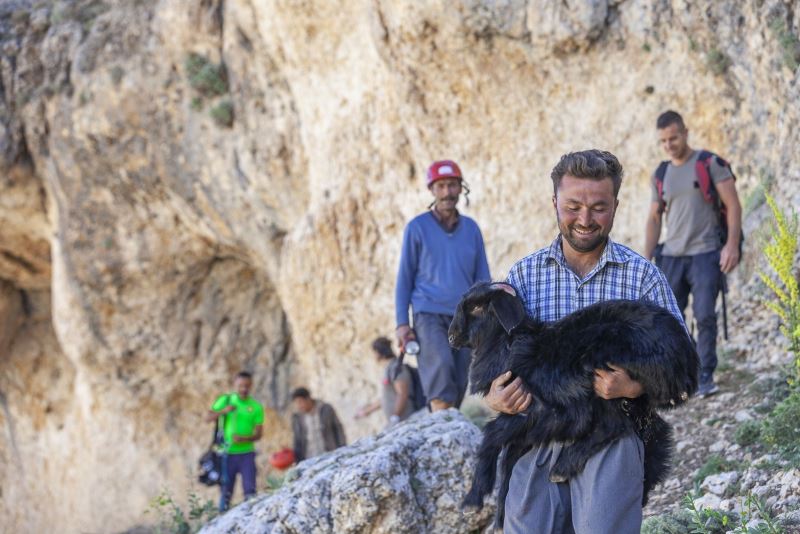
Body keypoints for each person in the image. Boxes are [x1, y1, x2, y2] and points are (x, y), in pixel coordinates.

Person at [486, 150, 690, 534]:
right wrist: (496, 395)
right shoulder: (523, 277)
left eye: (598, 207)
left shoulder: (642, 279)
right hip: (535, 440)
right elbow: (495, 362)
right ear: (554, 203)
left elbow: (682, 367)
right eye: (573, 206)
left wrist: (634, 385)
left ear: (615, 205)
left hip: (611, 438)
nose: (584, 219)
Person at [644, 110, 743, 398]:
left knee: (704, 315)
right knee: (670, 319)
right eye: (663, 140)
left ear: (685, 132)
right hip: (672, 255)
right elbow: (653, 218)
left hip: (705, 252)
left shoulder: (709, 163)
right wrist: (645, 258)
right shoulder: (661, 173)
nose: (669, 145)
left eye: (673, 138)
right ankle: (682, 375)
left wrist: (732, 245)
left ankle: (705, 375)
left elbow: (733, 205)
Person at [395, 159, 491, 412]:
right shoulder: (417, 228)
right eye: (441, 186)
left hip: (465, 316)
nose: (447, 192)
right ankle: (441, 422)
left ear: (461, 188)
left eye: (452, 185)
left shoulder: (471, 230)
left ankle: (448, 424)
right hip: (428, 312)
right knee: (440, 367)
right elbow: (404, 278)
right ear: (432, 190)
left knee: (460, 379)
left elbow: (483, 278)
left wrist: (484, 315)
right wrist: (402, 324)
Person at [206, 371, 264, 512]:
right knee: (226, 492)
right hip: (227, 454)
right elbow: (208, 418)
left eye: (247, 386)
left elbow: (259, 434)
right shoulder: (225, 401)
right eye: (240, 385)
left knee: (250, 491)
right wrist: (223, 411)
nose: (244, 389)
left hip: (247, 454)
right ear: (234, 385)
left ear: (251, 386)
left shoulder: (256, 407)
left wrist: (244, 439)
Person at [356, 336, 416, 427]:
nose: (373, 355)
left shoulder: (397, 368)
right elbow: (385, 398)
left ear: (379, 352)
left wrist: (395, 416)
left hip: (406, 419)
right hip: (399, 421)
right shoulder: (389, 369)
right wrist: (366, 411)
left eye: (374, 352)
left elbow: (402, 394)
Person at [291, 387, 346, 462]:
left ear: (308, 399)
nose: (299, 406)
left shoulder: (326, 409)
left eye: (300, 402)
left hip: (330, 456)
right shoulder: (297, 418)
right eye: (296, 403)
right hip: (309, 460)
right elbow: (297, 441)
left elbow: (338, 429)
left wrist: (343, 449)